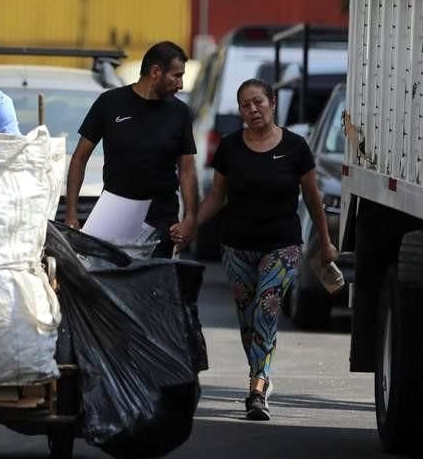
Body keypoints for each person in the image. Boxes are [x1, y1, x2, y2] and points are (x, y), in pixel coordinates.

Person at [190, 78, 338, 421]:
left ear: (272, 103)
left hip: (282, 245)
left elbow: (313, 199)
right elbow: (217, 197)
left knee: (266, 311)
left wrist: (326, 241)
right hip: (237, 246)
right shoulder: (229, 148)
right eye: (244, 105)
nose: (252, 110)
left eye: (258, 102)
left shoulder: (296, 147)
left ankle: (257, 389)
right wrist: (190, 224)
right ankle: (260, 374)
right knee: (247, 319)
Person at [65, 41, 198, 257]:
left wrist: (191, 218)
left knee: (154, 286)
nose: (181, 84)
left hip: (161, 221)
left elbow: (187, 170)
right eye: (176, 75)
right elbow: (80, 158)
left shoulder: (180, 113)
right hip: (114, 217)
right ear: (156, 72)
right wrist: (71, 213)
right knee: (110, 285)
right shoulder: (109, 103)